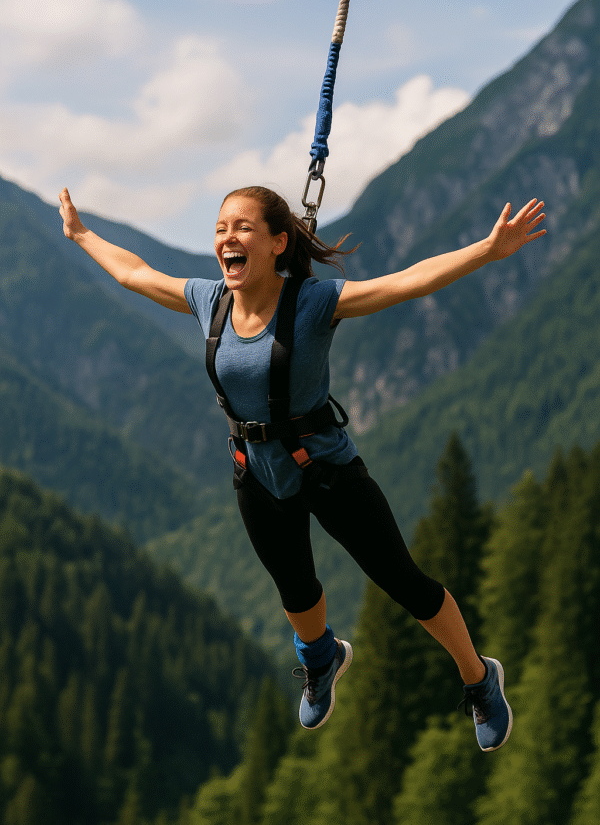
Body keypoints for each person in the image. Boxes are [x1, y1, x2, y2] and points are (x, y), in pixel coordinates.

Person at [59, 184, 545, 749]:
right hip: (255, 472)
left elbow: (402, 283)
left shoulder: (312, 303)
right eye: (220, 230)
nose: (227, 239)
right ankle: (323, 659)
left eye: (242, 228)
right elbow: (134, 274)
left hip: (326, 469)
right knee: (295, 589)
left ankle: (480, 678)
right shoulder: (208, 300)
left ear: (277, 242)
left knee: (403, 582)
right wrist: (81, 233)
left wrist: (486, 251)